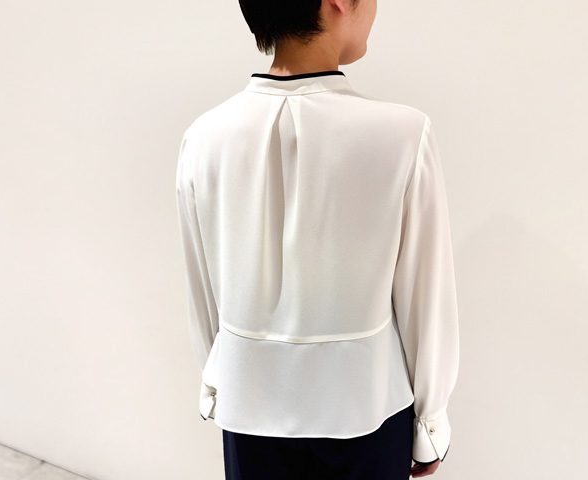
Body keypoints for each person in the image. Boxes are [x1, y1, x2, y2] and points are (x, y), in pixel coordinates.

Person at [175, 0, 460, 478]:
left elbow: (203, 292)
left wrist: (222, 382)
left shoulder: (203, 136)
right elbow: (426, 300)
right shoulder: (404, 134)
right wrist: (430, 424)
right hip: (368, 410)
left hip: (249, 412)